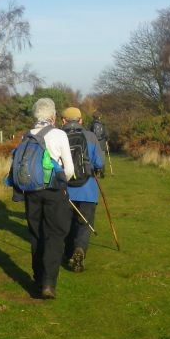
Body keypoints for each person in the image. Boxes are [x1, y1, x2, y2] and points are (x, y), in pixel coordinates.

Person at [16, 98, 75, 299]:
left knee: (36, 233)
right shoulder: (59, 134)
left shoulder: (27, 135)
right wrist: (59, 182)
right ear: (53, 116)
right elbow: (69, 169)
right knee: (55, 234)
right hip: (53, 192)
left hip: (31, 192)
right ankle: (49, 283)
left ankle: (37, 278)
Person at [60, 107, 104, 273]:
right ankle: (80, 249)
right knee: (85, 224)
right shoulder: (91, 136)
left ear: (63, 121)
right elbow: (99, 163)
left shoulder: (58, 136)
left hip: (64, 190)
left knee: (67, 223)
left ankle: (68, 252)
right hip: (87, 189)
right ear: (80, 121)